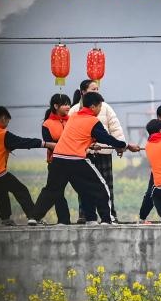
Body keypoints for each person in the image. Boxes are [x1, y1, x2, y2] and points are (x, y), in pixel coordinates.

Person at [29, 91, 140, 225]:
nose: (100, 109)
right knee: (101, 186)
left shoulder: (73, 117)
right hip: (76, 160)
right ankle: (107, 219)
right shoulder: (93, 120)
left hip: (58, 159)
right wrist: (125, 145)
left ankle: (34, 217)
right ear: (93, 107)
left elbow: (78, 137)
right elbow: (106, 138)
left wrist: (90, 145)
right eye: (100, 106)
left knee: (54, 190)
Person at [0, 106, 55, 225]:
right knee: (21, 189)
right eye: (7, 121)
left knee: (1, 190)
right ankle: (33, 217)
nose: (7, 124)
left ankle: (6, 219)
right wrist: (47, 144)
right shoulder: (3, 134)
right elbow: (23, 142)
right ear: (3, 118)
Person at [70, 79, 125, 222]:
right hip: (84, 155)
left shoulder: (105, 107)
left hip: (104, 153)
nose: (96, 92)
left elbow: (115, 126)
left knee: (107, 186)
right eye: (93, 89)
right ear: (83, 92)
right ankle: (85, 216)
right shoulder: (75, 110)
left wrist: (120, 145)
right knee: (84, 187)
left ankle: (110, 216)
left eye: (97, 90)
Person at [40, 93, 73, 224]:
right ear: (56, 106)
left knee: (84, 189)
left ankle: (90, 217)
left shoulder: (72, 120)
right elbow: (49, 144)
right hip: (56, 162)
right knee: (57, 192)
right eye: (65, 104)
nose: (68, 107)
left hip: (74, 161)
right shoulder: (47, 124)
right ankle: (64, 220)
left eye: (69, 104)